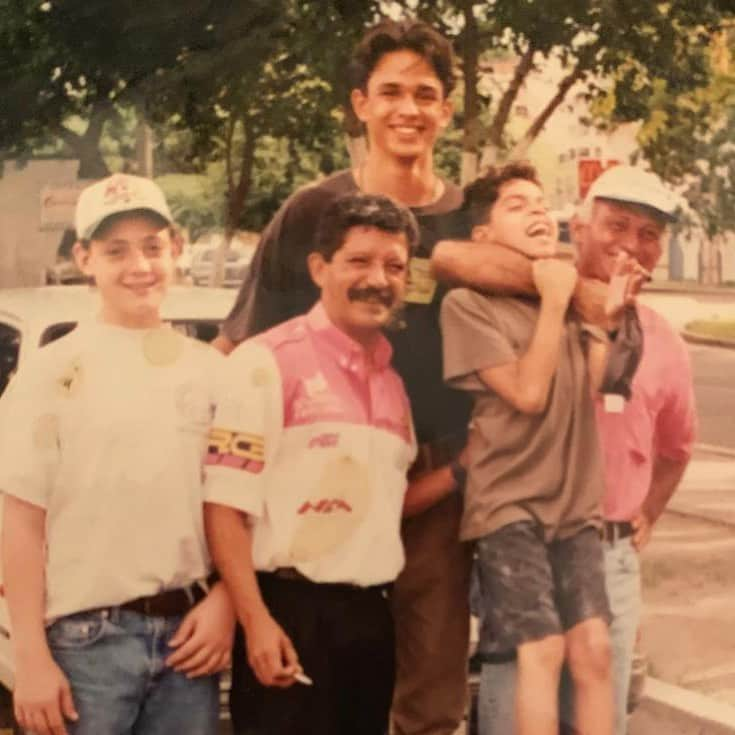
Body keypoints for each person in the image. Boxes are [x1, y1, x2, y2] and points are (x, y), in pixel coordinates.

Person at [213, 19, 474, 735]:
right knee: (303, 683)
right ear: (359, 103)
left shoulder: (471, 215)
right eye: (389, 91)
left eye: (425, 94)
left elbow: (541, 277)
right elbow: (235, 347)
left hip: (431, 472)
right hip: (309, 470)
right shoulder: (312, 211)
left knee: (425, 691)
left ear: (446, 110)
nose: (408, 109)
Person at [433, 164, 696, 735]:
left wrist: (647, 512)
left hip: (599, 539)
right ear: (578, 227)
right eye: (616, 224)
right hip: (521, 520)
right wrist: (567, 295)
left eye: (648, 234)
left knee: (598, 668)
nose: (630, 243)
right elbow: (451, 259)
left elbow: (675, 445)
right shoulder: (517, 291)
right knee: (524, 678)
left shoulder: (654, 335)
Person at [0, 173, 235, 735]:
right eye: (115, 251)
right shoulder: (47, 375)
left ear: (176, 250)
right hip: (84, 646)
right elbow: (19, 522)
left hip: (188, 643)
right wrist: (31, 658)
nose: (139, 266)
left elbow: (241, 508)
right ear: (85, 258)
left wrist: (226, 600)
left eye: (153, 247)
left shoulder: (211, 373)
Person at [439, 162, 619, 735]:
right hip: (508, 507)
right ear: (483, 236)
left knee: (593, 650)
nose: (539, 211)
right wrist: (551, 301)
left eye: (542, 203)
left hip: (574, 506)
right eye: (517, 205)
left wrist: (601, 319)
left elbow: (598, 385)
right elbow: (528, 393)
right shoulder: (466, 306)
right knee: (540, 650)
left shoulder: (565, 298)